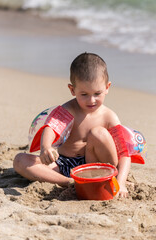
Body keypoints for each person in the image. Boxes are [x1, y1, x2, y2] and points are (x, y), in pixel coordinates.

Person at [13, 52, 131, 197]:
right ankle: (68, 182)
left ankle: (104, 177)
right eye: (84, 94)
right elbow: (51, 128)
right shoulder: (68, 110)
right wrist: (46, 147)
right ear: (72, 90)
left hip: (97, 165)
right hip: (64, 164)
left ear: (107, 87)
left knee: (98, 133)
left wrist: (122, 183)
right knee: (20, 160)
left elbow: (124, 154)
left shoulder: (109, 116)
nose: (91, 100)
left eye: (97, 93)